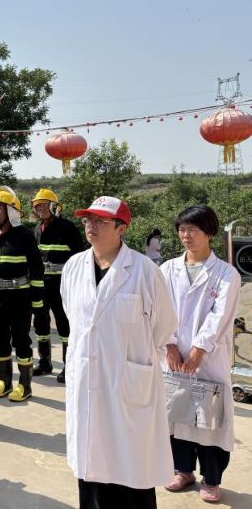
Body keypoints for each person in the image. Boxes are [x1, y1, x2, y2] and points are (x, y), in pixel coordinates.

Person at [61, 196, 177, 509]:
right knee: (91, 469)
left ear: (121, 228)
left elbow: (164, 327)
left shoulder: (144, 271)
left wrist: (126, 358)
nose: (91, 226)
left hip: (128, 387)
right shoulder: (73, 267)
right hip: (87, 382)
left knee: (130, 470)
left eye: (100, 221)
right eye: (88, 219)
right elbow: (74, 317)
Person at [160, 205, 241, 503]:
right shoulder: (167, 269)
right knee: (176, 415)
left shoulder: (226, 273)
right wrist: (170, 345)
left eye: (192, 229)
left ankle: (211, 478)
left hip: (209, 358)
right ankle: (182, 470)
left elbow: (221, 315)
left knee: (210, 419)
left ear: (209, 233)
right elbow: (159, 310)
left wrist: (199, 349)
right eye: (182, 229)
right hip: (172, 357)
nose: (186, 235)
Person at [0, 187, 44, 402]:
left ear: (11, 211)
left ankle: (25, 385)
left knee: (21, 340)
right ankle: (4, 381)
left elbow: (37, 268)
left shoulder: (24, 235)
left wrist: (37, 299)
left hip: (19, 298)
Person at [30, 189, 84, 383]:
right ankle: (44, 361)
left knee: (64, 325)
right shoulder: (37, 229)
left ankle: (69, 366)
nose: (41, 209)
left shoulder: (67, 227)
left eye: (44, 205)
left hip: (62, 285)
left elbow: (80, 257)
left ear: (54, 206)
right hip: (41, 285)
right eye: (38, 206)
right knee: (40, 323)